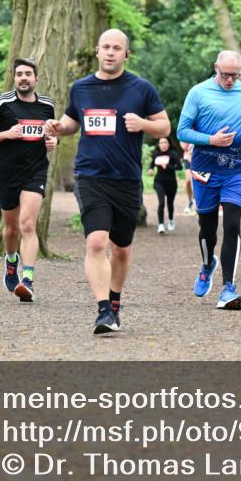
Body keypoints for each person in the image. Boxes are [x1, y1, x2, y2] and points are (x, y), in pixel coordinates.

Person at [45, 29, 170, 334]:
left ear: (126, 54)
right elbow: (72, 123)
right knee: (97, 241)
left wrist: (143, 124)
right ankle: (103, 310)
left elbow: (165, 126)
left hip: (126, 179)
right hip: (90, 176)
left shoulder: (141, 89)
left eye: (117, 48)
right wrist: (57, 127)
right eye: (106, 47)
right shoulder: (82, 88)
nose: (111, 52)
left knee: (122, 249)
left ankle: (114, 300)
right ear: (97, 51)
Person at [177, 50, 241, 311]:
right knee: (208, 228)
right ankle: (206, 264)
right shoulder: (198, 92)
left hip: (235, 167)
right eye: (226, 75)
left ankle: (228, 288)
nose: (230, 81)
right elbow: (182, 131)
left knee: (233, 225)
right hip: (204, 168)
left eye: (235, 76)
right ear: (215, 68)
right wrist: (210, 140)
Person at [0, 57, 58, 303]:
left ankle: (28, 279)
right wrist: (6, 134)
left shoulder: (47, 106)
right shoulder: (2, 104)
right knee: (11, 229)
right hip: (7, 173)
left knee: (27, 225)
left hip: (35, 171)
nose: (23, 78)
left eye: (28, 74)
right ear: (15, 78)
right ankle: (11, 262)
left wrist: (54, 142)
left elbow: (51, 136)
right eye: (19, 74)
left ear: (36, 79)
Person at [149, 137, 182, 234]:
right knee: (161, 202)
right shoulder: (156, 154)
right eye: (161, 143)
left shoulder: (173, 154)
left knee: (170, 203)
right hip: (159, 182)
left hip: (171, 183)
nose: (163, 145)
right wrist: (150, 169)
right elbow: (152, 164)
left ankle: (171, 220)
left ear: (168, 144)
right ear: (159, 144)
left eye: (165, 142)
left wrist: (167, 166)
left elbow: (179, 167)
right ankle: (161, 224)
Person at [181, 141, 196, 214]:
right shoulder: (185, 131)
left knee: (198, 181)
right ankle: (190, 201)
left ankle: (195, 201)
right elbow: (184, 147)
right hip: (188, 158)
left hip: (199, 158)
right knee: (188, 181)